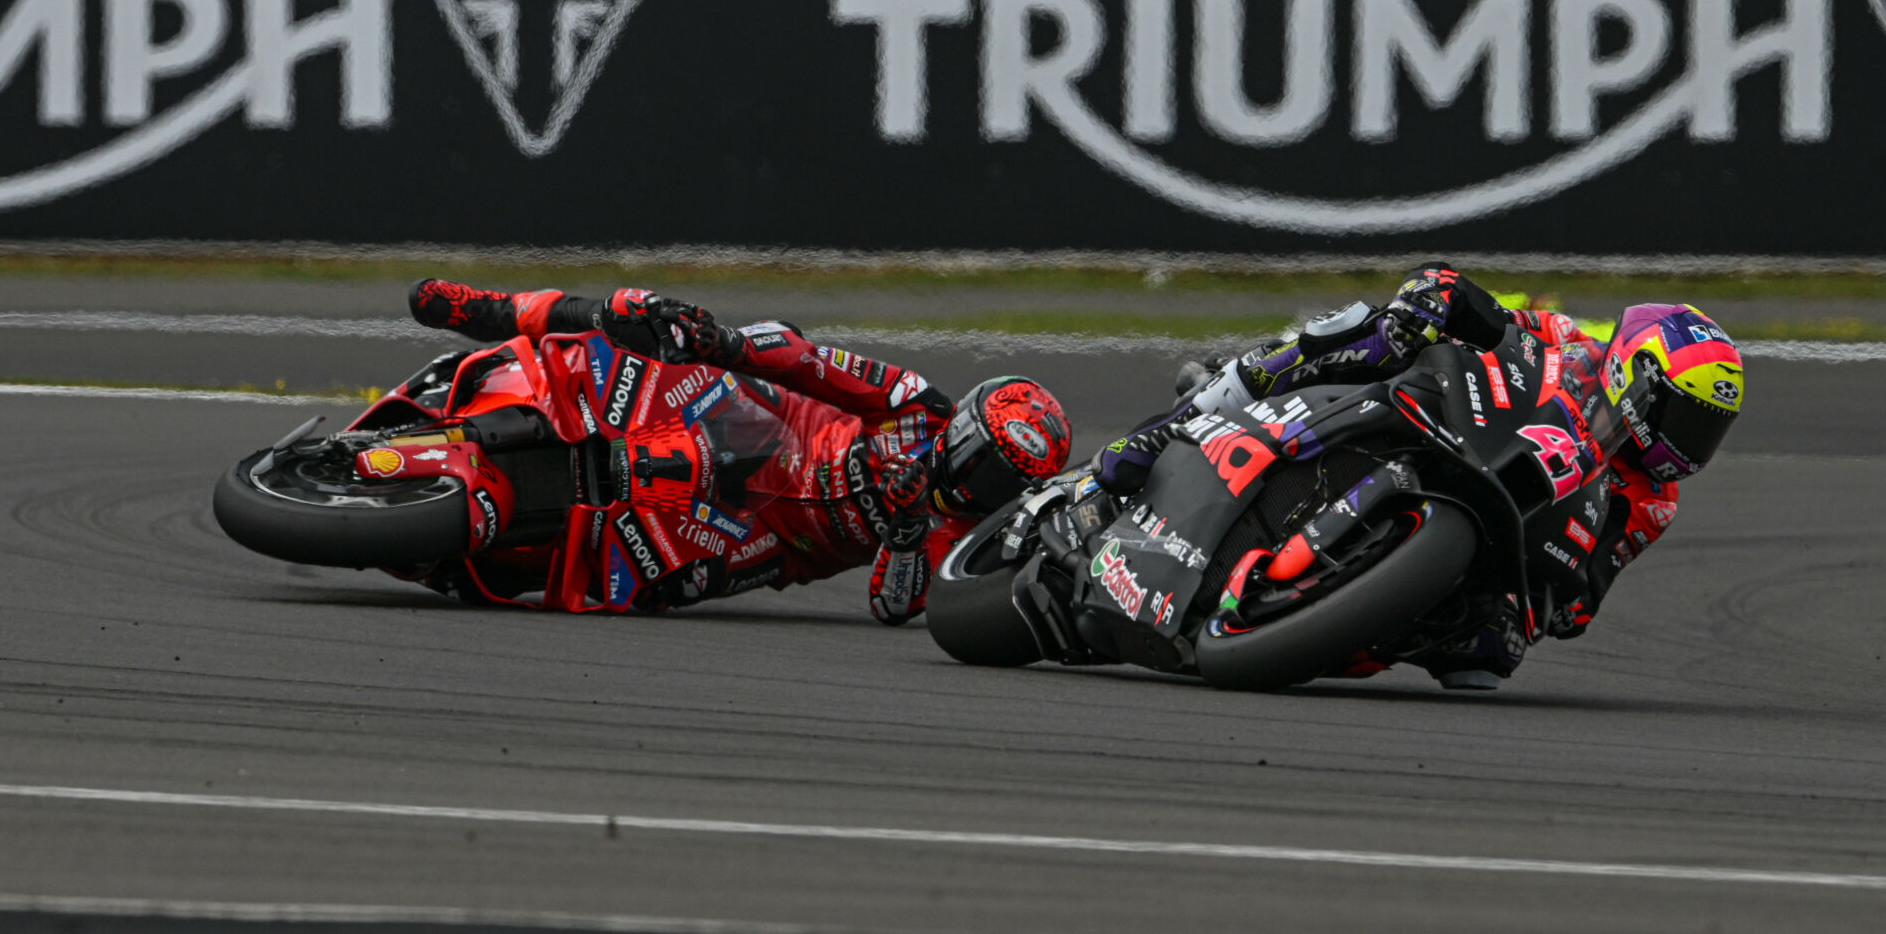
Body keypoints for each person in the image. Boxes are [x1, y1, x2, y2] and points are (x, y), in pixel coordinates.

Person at [1092, 264, 1744, 689]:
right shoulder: (1574, 344)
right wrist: (1438, 293)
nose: (1689, 444)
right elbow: (1497, 319)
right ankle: (1190, 413)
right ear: (1641, 375)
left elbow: (1581, 603)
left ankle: (1330, 616)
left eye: (1707, 430)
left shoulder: (1652, 501)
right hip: (1456, 417)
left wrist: (1555, 603)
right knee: (1367, 328)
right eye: (1685, 418)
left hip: (1510, 534)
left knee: (1488, 660)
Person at [405, 278, 1072, 624]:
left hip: (769, 538)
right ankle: (489, 310)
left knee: (656, 586)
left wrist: (901, 531)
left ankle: (467, 568)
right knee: (643, 316)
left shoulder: (957, 537)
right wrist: (722, 343)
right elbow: (813, 364)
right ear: (963, 429)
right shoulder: (917, 405)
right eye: (980, 459)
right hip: (763, 424)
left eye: (997, 483)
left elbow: (895, 607)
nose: (977, 484)